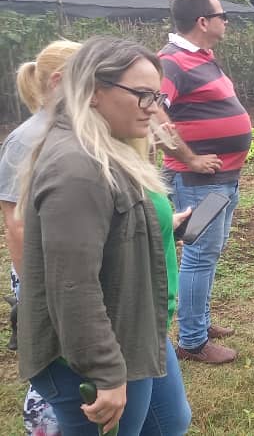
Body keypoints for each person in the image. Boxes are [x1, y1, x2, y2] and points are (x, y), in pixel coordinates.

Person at [18, 36, 191, 435]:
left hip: (133, 329)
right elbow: (72, 285)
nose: (155, 109)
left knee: (169, 423)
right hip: (100, 355)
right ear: (94, 92)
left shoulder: (109, 149)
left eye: (158, 96)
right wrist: (106, 372)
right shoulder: (79, 167)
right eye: (143, 96)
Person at [157, 0, 252, 364]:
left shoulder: (200, 58)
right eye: (221, 16)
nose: (225, 21)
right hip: (200, 180)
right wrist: (191, 158)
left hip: (222, 179)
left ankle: (199, 319)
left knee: (207, 254)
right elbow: (153, 114)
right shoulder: (171, 62)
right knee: (199, 255)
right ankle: (193, 341)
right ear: (202, 22)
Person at [0, 40, 81, 436]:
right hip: (38, 272)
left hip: (65, 266)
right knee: (48, 357)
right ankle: (45, 428)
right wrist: (32, 283)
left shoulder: (75, 129)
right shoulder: (25, 139)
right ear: (60, 80)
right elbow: (15, 222)